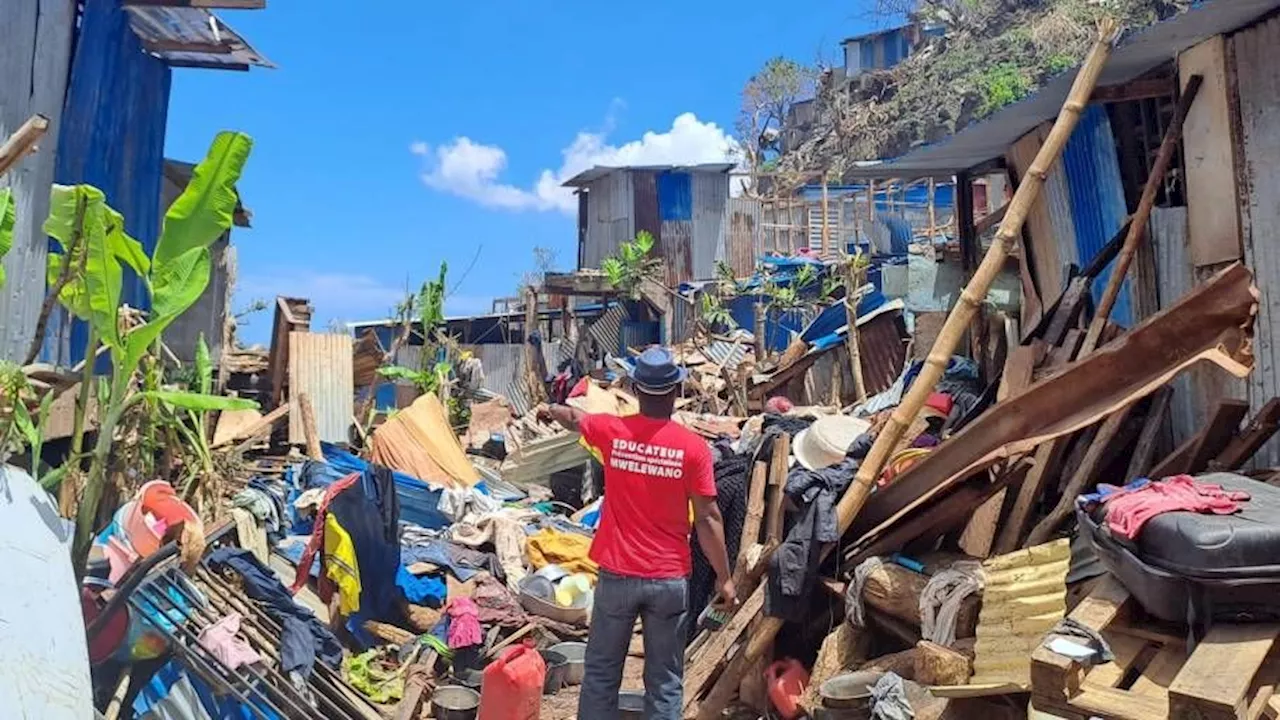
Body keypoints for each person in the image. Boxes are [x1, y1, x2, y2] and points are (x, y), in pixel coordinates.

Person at [540, 346, 736, 719]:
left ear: (635, 388)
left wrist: (550, 409)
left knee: (600, 673)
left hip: (618, 575)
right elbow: (709, 517)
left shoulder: (613, 432)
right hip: (668, 579)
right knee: (664, 681)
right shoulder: (693, 449)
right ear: (677, 393)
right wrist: (725, 579)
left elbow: (573, 417)